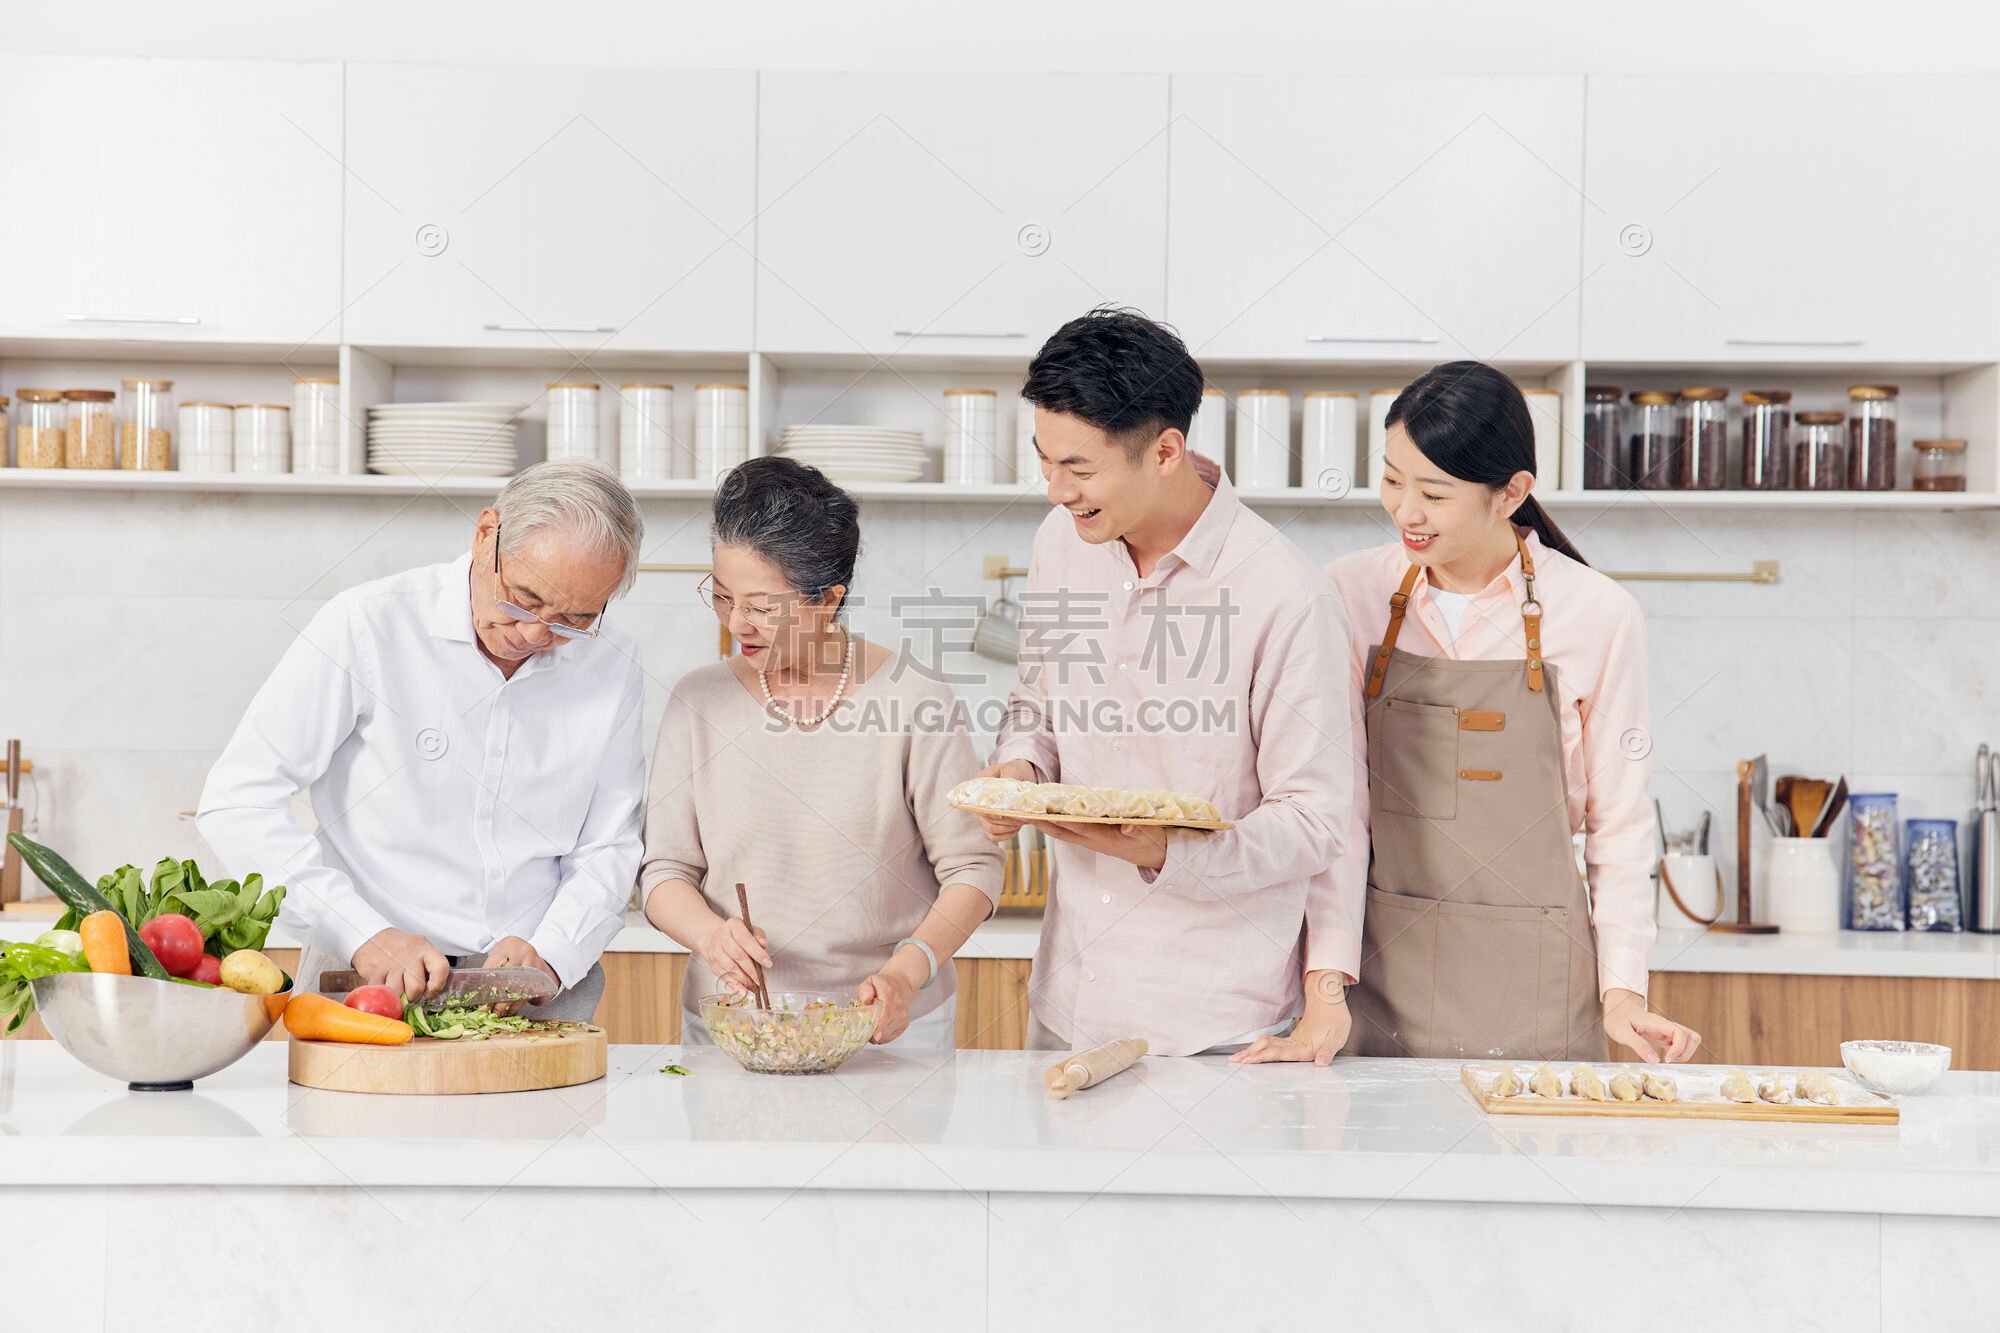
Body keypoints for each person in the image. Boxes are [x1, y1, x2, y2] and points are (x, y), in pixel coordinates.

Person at [1236, 361, 1701, 1067]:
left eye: (1434, 492)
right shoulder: (1347, 595)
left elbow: (1621, 826)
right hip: (1380, 975)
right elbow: (1338, 813)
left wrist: (1624, 994)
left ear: (1510, 492)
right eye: (1392, 480)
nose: (1405, 511)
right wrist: (1324, 988)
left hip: (1540, 985)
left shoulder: (1598, 614)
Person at [972, 307, 1363, 1058]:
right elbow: (1037, 699)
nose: (1055, 490)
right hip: (1067, 1002)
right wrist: (1023, 767)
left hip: (1212, 1029)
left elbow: (1315, 820)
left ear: (1165, 451)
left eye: (1078, 468)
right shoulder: (1063, 541)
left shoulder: (1284, 592)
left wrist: (1164, 851)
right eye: (1044, 461)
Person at [197, 461, 647, 1020]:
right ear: (487, 534)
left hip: (534, 993)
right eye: (523, 599)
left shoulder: (614, 661)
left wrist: (554, 954)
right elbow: (237, 799)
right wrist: (362, 931)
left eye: (573, 620)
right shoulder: (367, 624)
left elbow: (609, 842)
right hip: (364, 984)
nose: (534, 634)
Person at [641, 456, 1001, 1049]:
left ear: (828, 599)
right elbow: (665, 872)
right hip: (734, 1025)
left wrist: (906, 973)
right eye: (723, 596)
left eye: (762, 607)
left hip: (886, 1028)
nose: (737, 623)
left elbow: (974, 869)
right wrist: (709, 936)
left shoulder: (915, 700)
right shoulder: (697, 702)